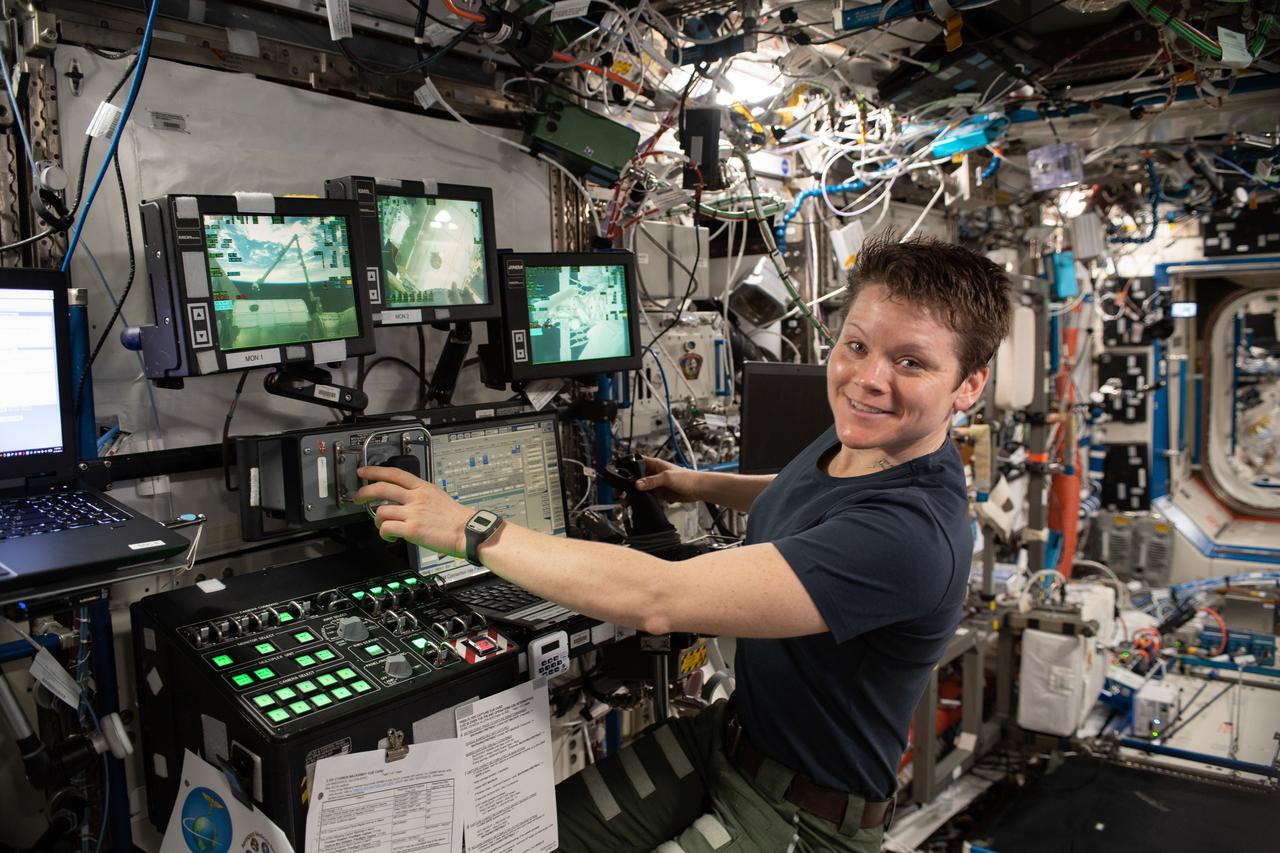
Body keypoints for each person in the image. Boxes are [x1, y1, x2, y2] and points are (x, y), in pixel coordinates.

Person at [355, 234, 1013, 852]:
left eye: (910, 362)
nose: (868, 378)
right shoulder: (868, 438)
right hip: (726, 741)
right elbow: (806, 491)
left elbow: (660, 598)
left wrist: (470, 529)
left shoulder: (911, 533)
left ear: (969, 384)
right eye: (858, 345)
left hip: (801, 815)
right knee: (531, 835)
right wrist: (697, 484)